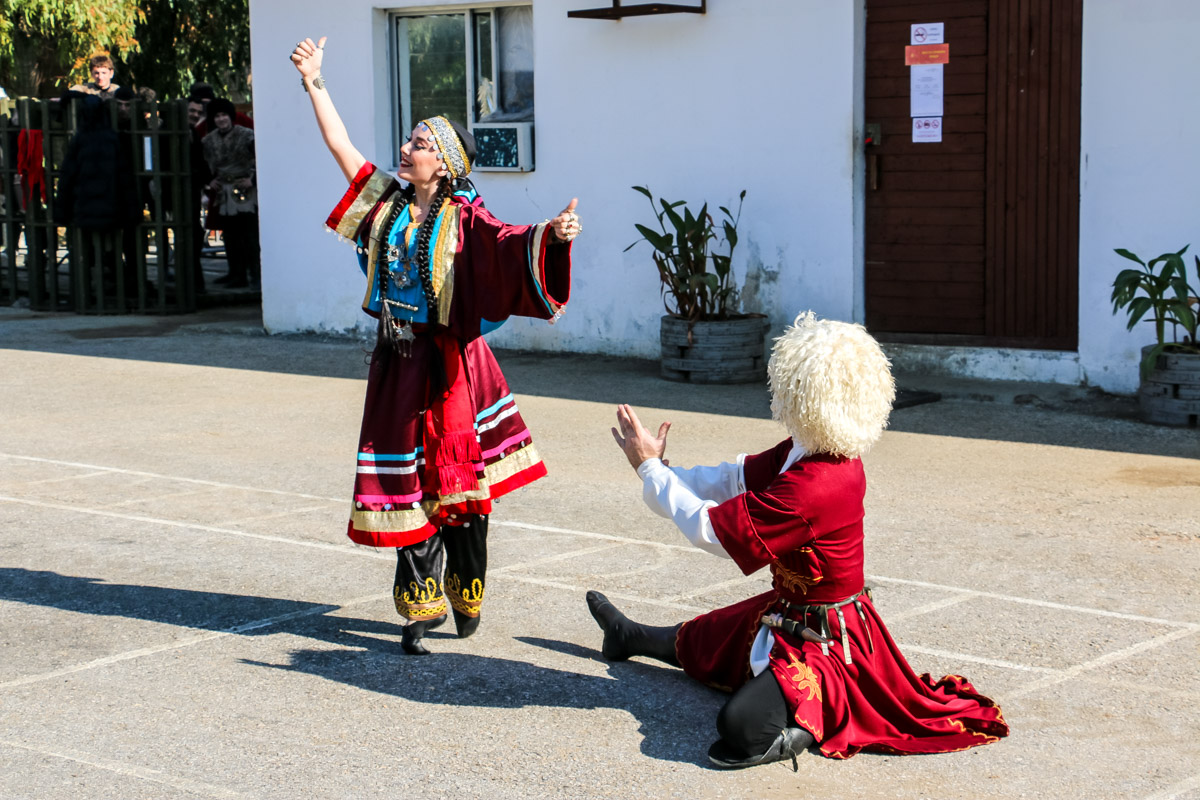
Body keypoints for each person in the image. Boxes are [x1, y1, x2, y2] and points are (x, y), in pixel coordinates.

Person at [589, 313, 1008, 768]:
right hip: (786, 610)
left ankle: (813, 725)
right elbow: (731, 479)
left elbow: (713, 531)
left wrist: (650, 470)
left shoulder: (817, 484)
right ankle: (626, 634)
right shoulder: (806, 450)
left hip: (830, 642)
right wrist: (662, 469)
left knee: (739, 729)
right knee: (702, 640)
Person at [291, 35, 579, 656]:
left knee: (458, 487)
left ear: (445, 161)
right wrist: (314, 81)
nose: (405, 149)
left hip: (453, 366)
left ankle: (467, 583)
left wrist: (552, 235)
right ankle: (418, 609)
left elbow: (511, 245)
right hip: (397, 360)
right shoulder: (385, 206)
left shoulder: (468, 221)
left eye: (419, 144)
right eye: (409, 141)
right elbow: (340, 146)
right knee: (409, 482)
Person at [201, 98, 259, 287]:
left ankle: (256, 275)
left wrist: (252, 180)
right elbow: (202, 165)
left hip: (246, 190)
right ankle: (236, 273)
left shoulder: (247, 135)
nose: (221, 119)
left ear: (231, 116)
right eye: (217, 116)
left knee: (249, 234)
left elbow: (262, 157)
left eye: (224, 114)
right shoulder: (208, 141)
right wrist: (209, 180)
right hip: (223, 193)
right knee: (231, 235)